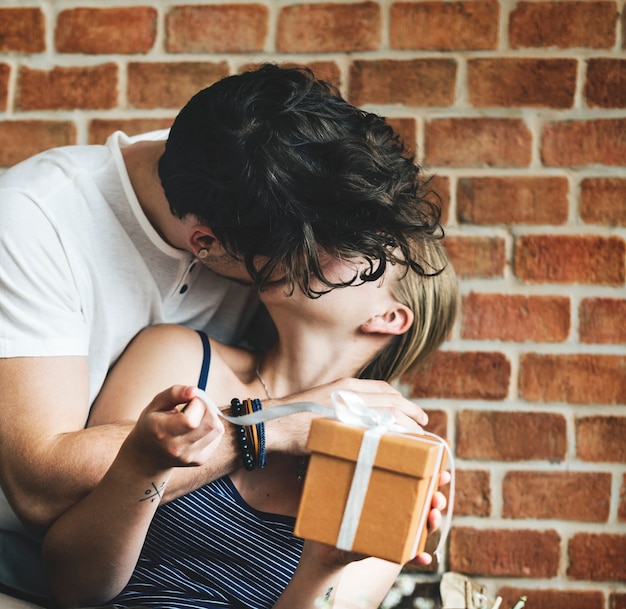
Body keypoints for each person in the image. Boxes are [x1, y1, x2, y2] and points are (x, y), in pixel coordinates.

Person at [0, 64, 444, 604]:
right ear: (205, 244)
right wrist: (272, 425)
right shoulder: (36, 220)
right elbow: (39, 494)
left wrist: (331, 557)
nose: (334, 265)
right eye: (292, 269)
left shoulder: (273, 182)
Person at [42, 236, 458, 609]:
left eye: (351, 246)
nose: (308, 242)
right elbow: (73, 586)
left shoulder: (402, 457)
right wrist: (143, 468)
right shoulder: (181, 361)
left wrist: (324, 565)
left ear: (387, 318)